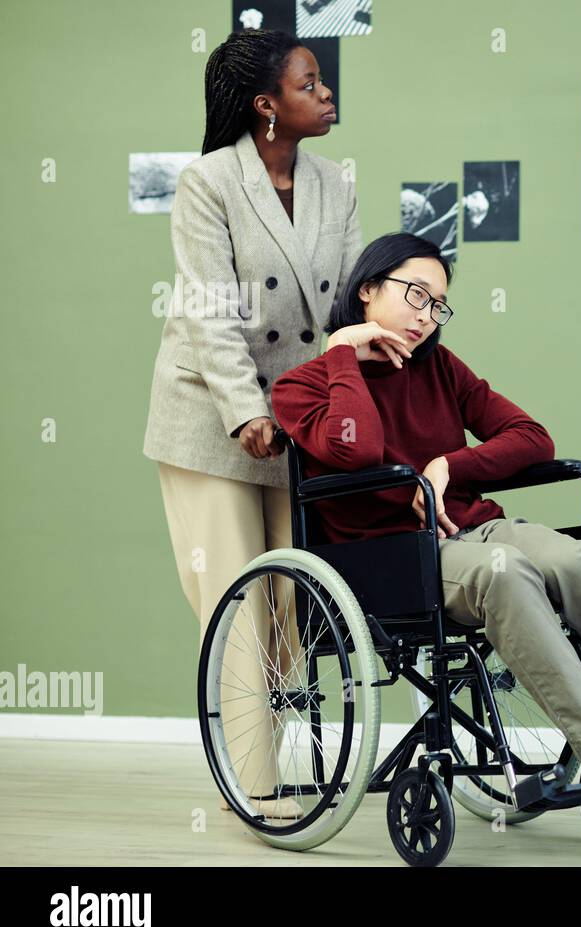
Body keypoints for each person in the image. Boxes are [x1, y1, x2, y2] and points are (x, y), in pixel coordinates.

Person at [271, 231, 581, 795]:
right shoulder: (300, 388)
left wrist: (447, 466)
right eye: (416, 294)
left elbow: (532, 437)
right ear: (368, 289)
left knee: (575, 560)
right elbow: (355, 450)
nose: (427, 315)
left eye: (438, 305)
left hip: (476, 528)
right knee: (504, 571)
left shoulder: (442, 370)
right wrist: (342, 352)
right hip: (391, 553)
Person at [142, 29, 361, 818]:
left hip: (294, 418)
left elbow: (344, 308)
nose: (327, 91)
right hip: (213, 414)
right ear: (267, 106)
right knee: (239, 593)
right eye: (311, 82)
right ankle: (259, 790)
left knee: (291, 599)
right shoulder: (208, 182)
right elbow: (206, 311)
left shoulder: (336, 183)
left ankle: (278, 766)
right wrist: (243, 413)